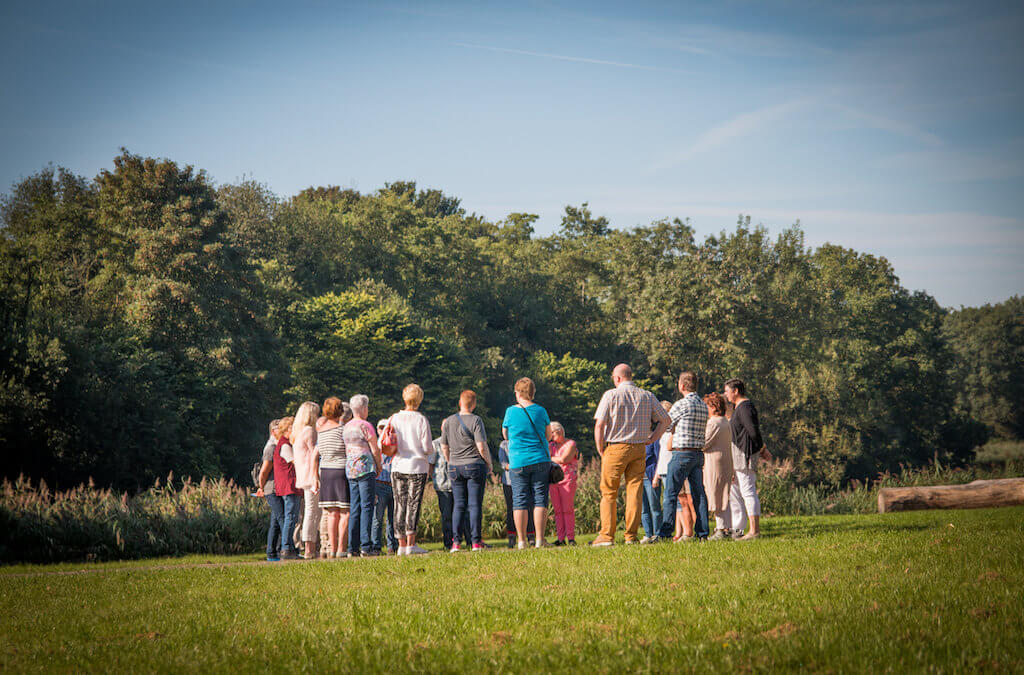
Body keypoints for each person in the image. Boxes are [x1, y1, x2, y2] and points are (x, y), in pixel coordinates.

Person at [592, 364, 671, 546]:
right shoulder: (647, 395)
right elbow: (666, 419)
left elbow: (600, 424)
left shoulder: (611, 395)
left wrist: (600, 446)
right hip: (639, 448)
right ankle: (631, 536)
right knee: (634, 491)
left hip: (616, 446)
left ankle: (606, 536)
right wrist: (653, 437)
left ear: (618, 378)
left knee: (609, 492)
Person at [658, 371, 710, 542]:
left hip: (681, 453)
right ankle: (702, 533)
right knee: (699, 495)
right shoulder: (703, 405)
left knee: (670, 494)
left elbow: (666, 425)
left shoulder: (681, 404)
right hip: (697, 453)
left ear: (681, 385)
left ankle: (665, 533)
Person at [502, 377, 553, 549]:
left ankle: (522, 541)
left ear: (517, 392)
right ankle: (539, 540)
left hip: (517, 461)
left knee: (519, 500)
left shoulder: (510, 412)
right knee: (540, 498)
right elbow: (548, 436)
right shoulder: (541, 411)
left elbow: (505, 435)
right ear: (532, 393)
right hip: (540, 459)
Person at [440, 390, 492, 552]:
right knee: (474, 505)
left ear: (460, 402)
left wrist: (450, 461)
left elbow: (444, 446)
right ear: (474, 404)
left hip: (455, 466)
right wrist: (489, 463)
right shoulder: (476, 420)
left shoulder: (449, 421)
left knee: (459, 505)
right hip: (474, 464)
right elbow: (481, 446)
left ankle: (456, 543)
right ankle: (476, 542)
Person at [390, 384, 434, 555]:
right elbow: (427, 447)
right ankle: (411, 544)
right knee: (413, 504)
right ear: (420, 399)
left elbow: (384, 442)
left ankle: (400, 545)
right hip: (417, 466)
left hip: (398, 465)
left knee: (399, 504)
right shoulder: (421, 419)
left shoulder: (394, 418)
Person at [725, 378, 770, 541]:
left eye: (727, 391)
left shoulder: (745, 407)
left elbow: (753, 431)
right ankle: (746, 528)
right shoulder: (740, 407)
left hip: (745, 455)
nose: (726, 394)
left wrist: (762, 449)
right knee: (742, 491)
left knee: (748, 491)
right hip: (740, 455)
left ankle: (754, 530)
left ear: (735, 391)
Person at [343, 394, 383, 557]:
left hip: (351, 469)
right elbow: (375, 448)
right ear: (364, 408)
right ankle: (366, 545)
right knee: (367, 506)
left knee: (355, 507)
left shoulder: (346, 426)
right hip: (365, 468)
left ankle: (352, 547)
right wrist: (379, 465)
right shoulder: (365, 425)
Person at [316, 398, 352, 558]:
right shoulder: (342, 430)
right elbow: (348, 450)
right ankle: (341, 549)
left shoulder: (321, 430)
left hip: (325, 471)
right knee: (345, 512)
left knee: (331, 513)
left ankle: (332, 548)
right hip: (340, 470)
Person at [291, 401, 321, 559]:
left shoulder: (298, 432)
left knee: (310, 511)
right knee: (313, 512)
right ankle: (310, 547)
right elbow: (315, 452)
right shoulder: (309, 431)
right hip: (312, 476)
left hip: (303, 475)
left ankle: (309, 545)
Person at [702, 392, 734, 541]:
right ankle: (726, 527)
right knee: (723, 494)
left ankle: (721, 528)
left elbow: (704, 443)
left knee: (716, 493)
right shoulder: (726, 421)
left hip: (715, 461)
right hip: (726, 460)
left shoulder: (714, 423)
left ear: (713, 407)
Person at [431, 438, 470, 551]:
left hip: (459, 483)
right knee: (447, 515)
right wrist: (435, 478)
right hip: (442, 485)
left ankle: (468, 540)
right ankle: (448, 542)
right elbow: (431, 464)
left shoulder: (458, 441)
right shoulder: (435, 444)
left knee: (465, 513)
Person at [272, 416, 301, 560]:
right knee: (291, 516)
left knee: (291, 517)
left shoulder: (283, 444)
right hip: (289, 485)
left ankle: (288, 546)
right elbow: (295, 462)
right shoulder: (285, 445)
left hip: (287, 485)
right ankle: (286, 548)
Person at [255, 419, 283, 561]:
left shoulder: (277, 445)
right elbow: (264, 471)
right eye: (280, 428)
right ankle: (284, 549)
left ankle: (272, 552)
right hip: (271, 488)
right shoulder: (271, 447)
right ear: (273, 431)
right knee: (282, 518)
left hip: (276, 487)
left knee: (276, 521)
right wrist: (261, 487)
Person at [548, 422, 578, 546]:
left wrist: (550, 458)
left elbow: (564, 459)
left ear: (559, 431)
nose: (550, 436)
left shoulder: (571, 444)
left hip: (567, 480)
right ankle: (560, 538)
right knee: (558, 511)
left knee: (568, 510)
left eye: (552, 433)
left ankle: (571, 537)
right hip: (553, 480)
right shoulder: (550, 445)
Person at [371, 418, 399, 555]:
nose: (383, 430)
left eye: (386, 428)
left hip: (394, 485)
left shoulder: (395, 445)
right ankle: (376, 546)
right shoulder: (374, 446)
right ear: (377, 430)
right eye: (381, 428)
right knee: (377, 518)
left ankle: (392, 546)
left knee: (393, 519)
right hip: (379, 484)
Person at [639, 434, 662, 545]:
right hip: (638, 479)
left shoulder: (654, 439)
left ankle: (657, 534)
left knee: (654, 507)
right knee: (644, 510)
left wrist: (656, 477)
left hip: (650, 477)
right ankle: (648, 534)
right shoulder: (637, 440)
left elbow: (659, 459)